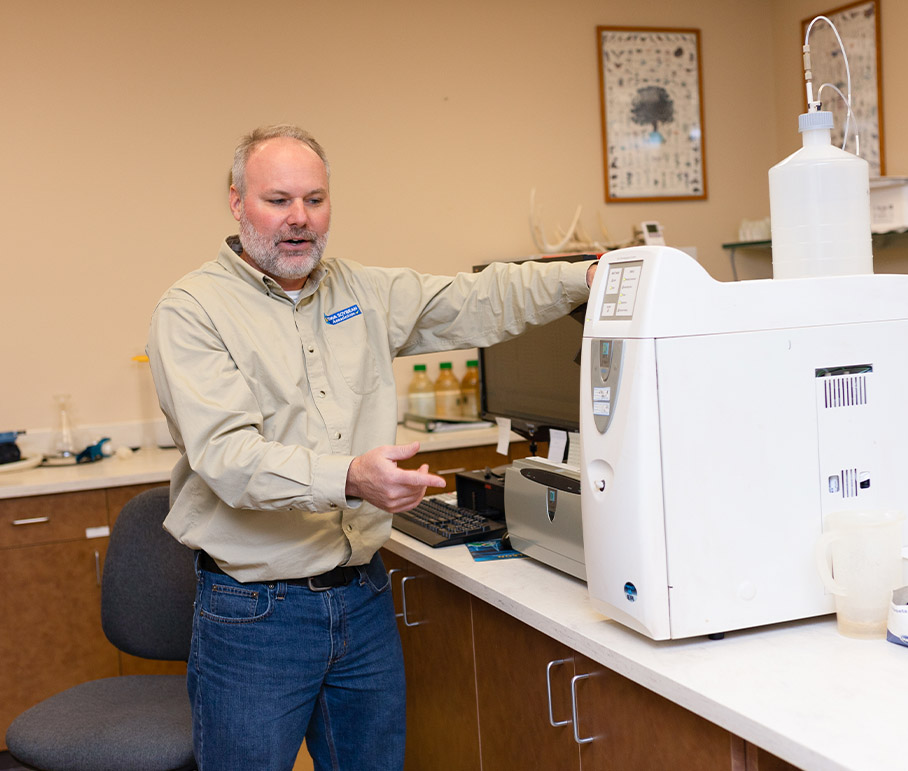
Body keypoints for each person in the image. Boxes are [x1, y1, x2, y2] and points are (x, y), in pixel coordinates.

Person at [145, 124, 596, 771]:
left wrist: (586, 276)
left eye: (315, 199)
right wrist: (353, 476)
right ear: (237, 201)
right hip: (256, 612)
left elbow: (479, 301)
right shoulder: (192, 310)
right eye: (278, 200)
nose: (299, 219)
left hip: (363, 597)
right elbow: (230, 459)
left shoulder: (365, 292)